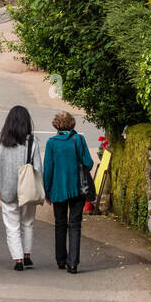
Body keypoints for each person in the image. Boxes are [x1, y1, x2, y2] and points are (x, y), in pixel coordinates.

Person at [0, 105, 41, 271]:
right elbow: (38, 168)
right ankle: (27, 255)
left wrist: (0, 175)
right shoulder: (32, 141)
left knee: (12, 225)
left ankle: (18, 259)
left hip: (7, 188)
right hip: (27, 188)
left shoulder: (1, 139)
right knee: (27, 222)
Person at [42, 111, 92, 273]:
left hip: (58, 190)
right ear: (72, 124)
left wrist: (47, 191)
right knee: (75, 225)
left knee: (60, 224)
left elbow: (48, 170)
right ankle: (73, 263)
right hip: (78, 188)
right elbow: (89, 163)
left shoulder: (52, 143)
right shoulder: (79, 139)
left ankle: (61, 260)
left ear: (56, 124)